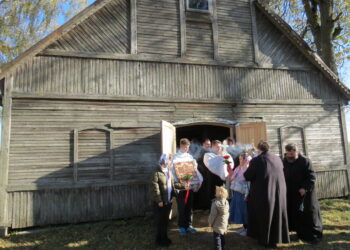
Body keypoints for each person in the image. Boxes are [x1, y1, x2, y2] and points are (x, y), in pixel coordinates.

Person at [244, 141, 290, 248]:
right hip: (279, 191)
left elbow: (247, 176)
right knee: (276, 214)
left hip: (264, 193)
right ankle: (276, 238)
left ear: (259, 150)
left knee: (264, 216)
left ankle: (265, 240)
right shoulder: (277, 158)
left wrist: (246, 165)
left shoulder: (257, 160)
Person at [283, 143, 323, 244]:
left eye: (292, 154)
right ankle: (299, 232)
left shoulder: (305, 161)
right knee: (295, 214)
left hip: (305, 194)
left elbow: (312, 177)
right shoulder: (285, 161)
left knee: (308, 214)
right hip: (291, 193)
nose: (290, 156)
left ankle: (312, 235)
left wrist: (305, 188)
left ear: (297, 152)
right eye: (288, 154)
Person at [172, 138, 203, 235]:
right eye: (185, 147)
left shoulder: (190, 157)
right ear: (180, 146)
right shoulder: (175, 157)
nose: (186, 149)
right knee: (182, 206)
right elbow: (173, 172)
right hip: (181, 185)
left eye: (187, 147)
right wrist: (178, 181)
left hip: (190, 184)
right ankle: (181, 226)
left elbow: (194, 170)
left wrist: (194, 165)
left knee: (189, 206)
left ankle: (189, 225)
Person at [150, 154, 175, 247]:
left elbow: (172, 185)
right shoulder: (156, 172)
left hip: (168, 201)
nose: (170, 162)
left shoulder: (168, 171)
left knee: (165, 221)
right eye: (169, 160)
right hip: (160, 203)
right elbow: (154, 188)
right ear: (164, 160)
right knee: (159, 222)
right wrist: (159, 200)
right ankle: (158, 240)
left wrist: (184, 186)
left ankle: (165, 237)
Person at [229, 151, 251, 236]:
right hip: (237, 192)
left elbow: (248, 184)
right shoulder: (239, 167)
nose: (240, 161)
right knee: (240, 211)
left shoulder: (248, 169)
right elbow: (233, 177)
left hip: (244, 194)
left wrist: (246, 194)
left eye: (242, 160)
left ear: (246, 160)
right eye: (239, 159)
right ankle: (244, 227)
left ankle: (248, 229)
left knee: (245, 211)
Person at [193, 138, 213, 210]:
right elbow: (197, 161)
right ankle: (201, 206)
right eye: (207, 144)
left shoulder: (210, 152)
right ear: (203, 144)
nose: (209, 146)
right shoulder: (200, 151)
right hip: (201, 173)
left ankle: (206, 205)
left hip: (208, 173)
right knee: (202, 190)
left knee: (208, 190)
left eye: (210, 144)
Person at [208, 186, 229, 250]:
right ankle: (223, 246)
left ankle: (218, 248)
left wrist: (210, 222)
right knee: (222, 235)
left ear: (218, 194)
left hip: (217, 224)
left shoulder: (215, 203)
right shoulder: (226, 202)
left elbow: (212, 215)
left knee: (217, 237)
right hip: (224, 223)